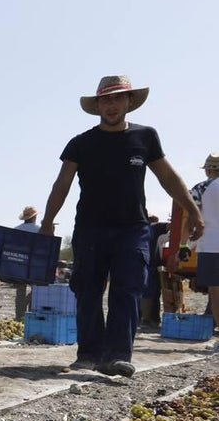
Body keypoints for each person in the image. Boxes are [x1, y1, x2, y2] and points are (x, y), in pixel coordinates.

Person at [39, 75, 203, 378]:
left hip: (133, 229)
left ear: (129, 101)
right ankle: (88, 355)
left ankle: (117, 356)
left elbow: (168, 177)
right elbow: (61, 184)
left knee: (127, 289)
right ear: (98, 105)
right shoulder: (81, 143)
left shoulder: (145, 137)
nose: (112, 104)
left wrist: (193, 211)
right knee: (87, 290)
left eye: (118, 98)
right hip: (90, 228)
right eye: (106, 99)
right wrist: (48, 222)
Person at [187, 153, 219, 341]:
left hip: (211, 246)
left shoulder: (200, 188)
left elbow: (192, 219)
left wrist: (185, 245)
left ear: (208, 169)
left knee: (216, 295)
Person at [139, 212, 170, 330]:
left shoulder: (138, 229)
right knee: (150, 293)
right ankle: (147, 319)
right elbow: (171, 226)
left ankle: (146, 318)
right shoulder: (154, 227)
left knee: (144, 293)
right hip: (151, 265)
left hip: (143, 263)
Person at [13, 206, 42, 321]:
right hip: (35, 264)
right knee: (36, 289)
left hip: (19, 263)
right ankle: (28, 310)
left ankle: (19, 316)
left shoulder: (16, 229)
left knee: (20, 290)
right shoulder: (39, 229)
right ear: (34, 217)